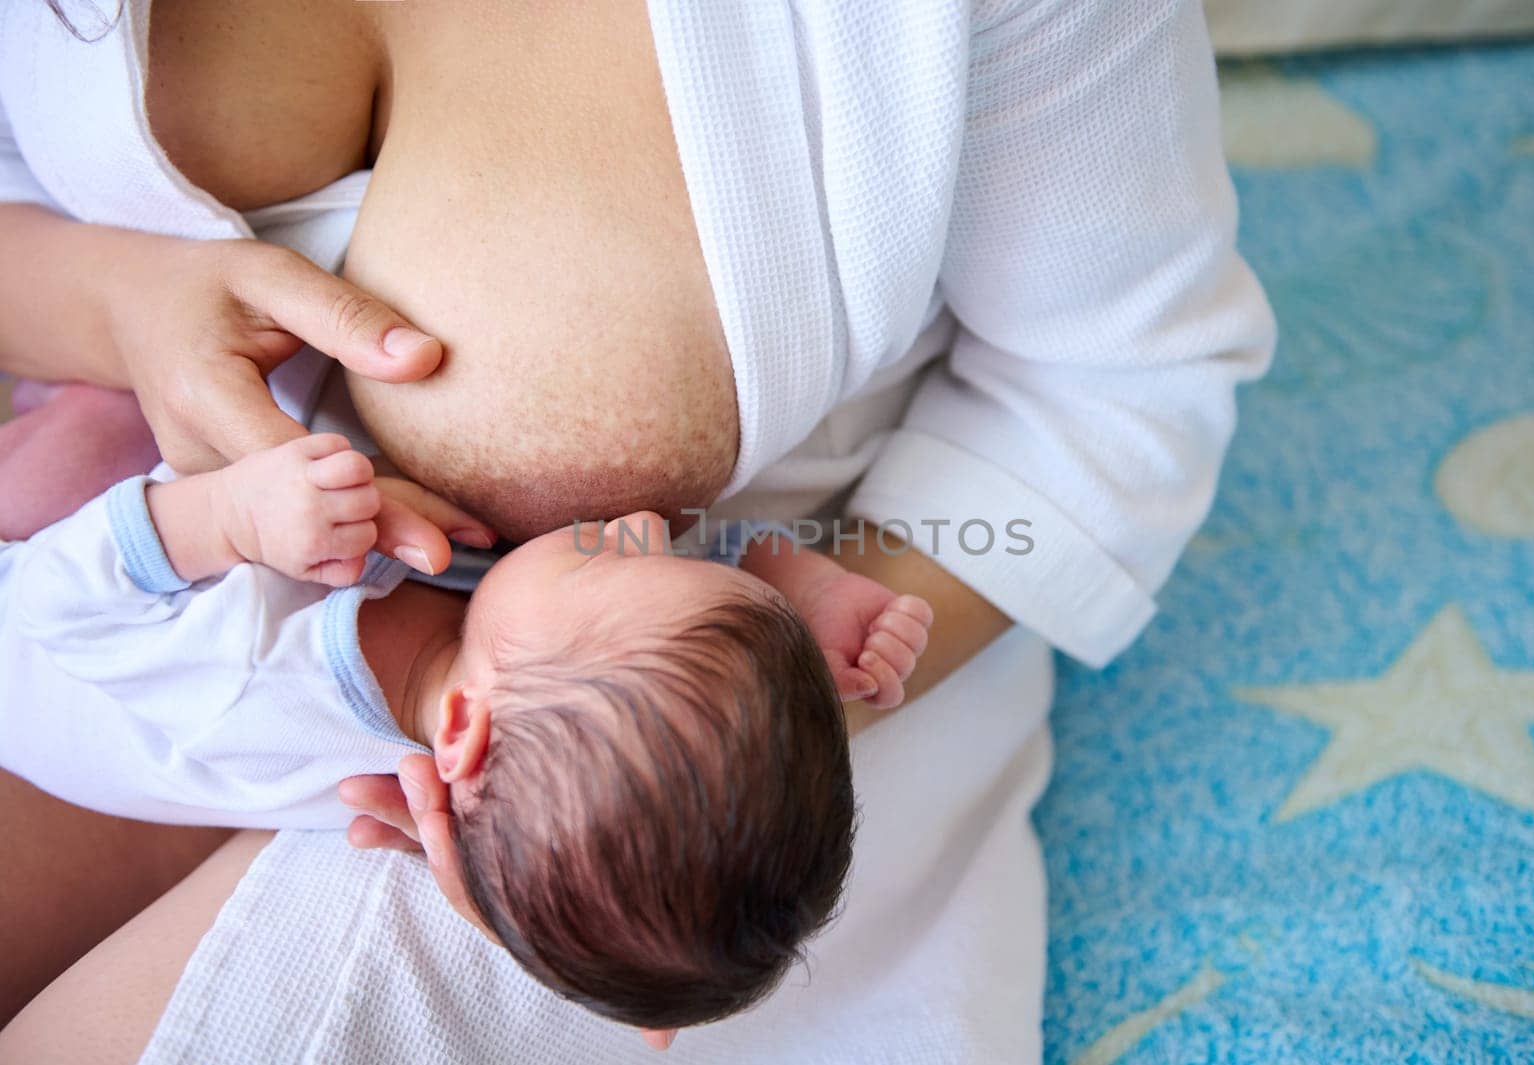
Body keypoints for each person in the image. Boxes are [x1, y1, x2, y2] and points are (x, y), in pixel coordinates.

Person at [0, 0, 1274, 1060]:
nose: (643, 535)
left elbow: (1121, 383)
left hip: (660, 785)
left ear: (467, 734)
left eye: (648, 556)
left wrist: (773, 715)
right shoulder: (602, 604)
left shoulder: (551, 694)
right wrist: (117, 303)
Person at [1, 432, 929, 1034]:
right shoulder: (523, 700)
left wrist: (227, 515)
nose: (644, 524)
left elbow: (59, 603)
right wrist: (794, 582)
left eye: (616, 560)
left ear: (462, 729)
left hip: (37, 618)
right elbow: (672, 607)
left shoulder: (261, 673)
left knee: (76, 456)